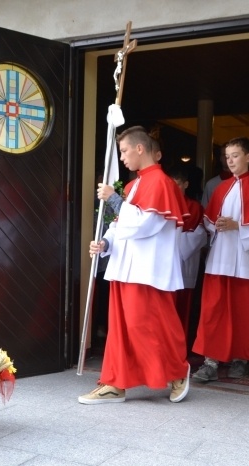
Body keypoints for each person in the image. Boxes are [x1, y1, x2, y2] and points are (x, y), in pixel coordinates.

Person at [80, 126, 191, 404]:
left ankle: (178, 371)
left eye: (124, 151)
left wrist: (115, 199)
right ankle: (115, 382)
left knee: (152, 327)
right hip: (124, 267)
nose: (122, 157)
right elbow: (121, 226)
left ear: (140, 148)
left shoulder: (161, 183)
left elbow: (146, 224)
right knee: (121, 330)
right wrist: (105, 243)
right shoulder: (133, 185)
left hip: (147, 270)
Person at [191, 137, 249, 382]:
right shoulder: (220, 188)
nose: (230, 160)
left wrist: (237, 226)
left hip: (245, 261)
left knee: (244, 312)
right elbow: (208, 220)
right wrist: (216, 225)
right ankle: (210, 362)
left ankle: (240, 360)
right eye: (227, 156)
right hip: (220, 259)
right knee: (213, 311)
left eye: (235, 155)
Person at [168, 165, 206, 340]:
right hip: (165, 263)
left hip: (184, 262)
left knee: (183, 305)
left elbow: (200, 233)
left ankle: (180, 343)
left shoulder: (195, 207)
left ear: (186, 184)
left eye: (177, 184)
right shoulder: (163, 205)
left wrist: (174, 241)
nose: (174, 189)